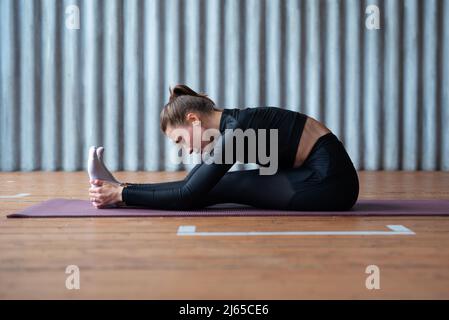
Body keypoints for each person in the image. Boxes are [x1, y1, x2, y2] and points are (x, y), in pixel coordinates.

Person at [88, 84, 359, 211]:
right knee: (207, 182)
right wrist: (122, 188)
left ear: (193, 120)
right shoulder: (233, 124)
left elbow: (186, 194)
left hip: (330, 182)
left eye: (180, 140)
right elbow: (190, 182)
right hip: (314, 174)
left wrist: (123, 196)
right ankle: (120, 189)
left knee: (226, 185)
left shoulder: (238, 129)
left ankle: (120, 194)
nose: (187, 149)